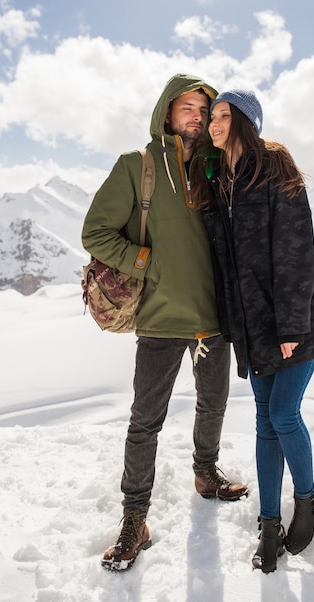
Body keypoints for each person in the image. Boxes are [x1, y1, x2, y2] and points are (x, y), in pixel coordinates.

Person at [82, 74, 248, 572]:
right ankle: (136, 518)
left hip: (213, 318)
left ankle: (205, 474)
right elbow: (96, 232)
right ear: (167, 112)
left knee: (214, 402)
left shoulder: (218, 166)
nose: (197, 116)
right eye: (188, 108)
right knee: (145, 422)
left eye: (205, 108)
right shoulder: (139, 165)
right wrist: (147, 263)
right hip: (158, 319)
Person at [191, 89, 314, 573]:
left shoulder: (273, 164)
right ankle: (270, 521)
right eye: (211, 116)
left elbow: (297, 248)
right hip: (255, 326)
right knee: (262, 419)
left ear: (244, 121)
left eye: (222, 115)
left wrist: (292, 324)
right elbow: (225, 264)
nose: (214, 124)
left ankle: (306, 499)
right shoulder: (220, 180)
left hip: (300, 317)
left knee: (282, 413)